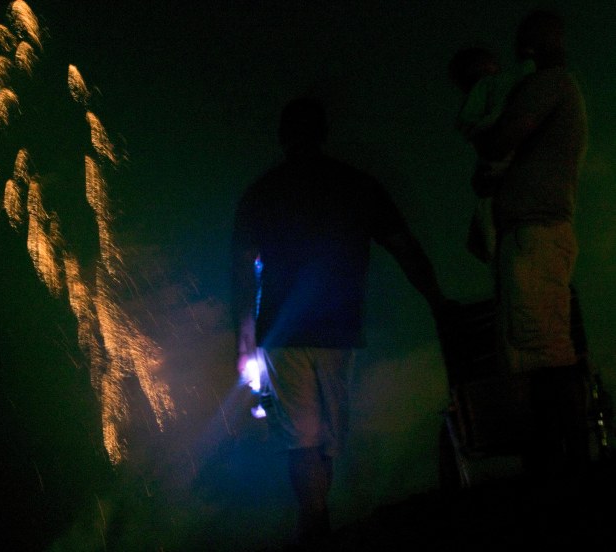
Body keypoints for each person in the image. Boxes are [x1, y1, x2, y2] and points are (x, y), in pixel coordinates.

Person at [230, 97, 451, 547]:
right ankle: (317, 519)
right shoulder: (357, 184)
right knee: (327, 438)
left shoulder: (262, 191)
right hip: (339, 329)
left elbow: (240, 267)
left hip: (282, 334)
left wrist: (245, 333)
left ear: (282, 136)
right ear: (324, 133)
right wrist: (436, 299)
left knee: (301, 439)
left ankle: (314, 520)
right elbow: (403, 246)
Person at [470, 10, 590, 480]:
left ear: (533, 45)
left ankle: (565, 469)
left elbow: (498, 144)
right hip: (534, 234)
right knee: (540, 352)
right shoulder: (559, 89)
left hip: (535, 234)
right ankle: (563, 464)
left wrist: (482, 115)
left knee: (545, 353)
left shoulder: (549, 85)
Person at [448, 45, 536, 263]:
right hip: (513, 181)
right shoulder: (505, 87)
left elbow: (472, 128)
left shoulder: (487, 91)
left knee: (501, 249)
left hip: (503, 182)